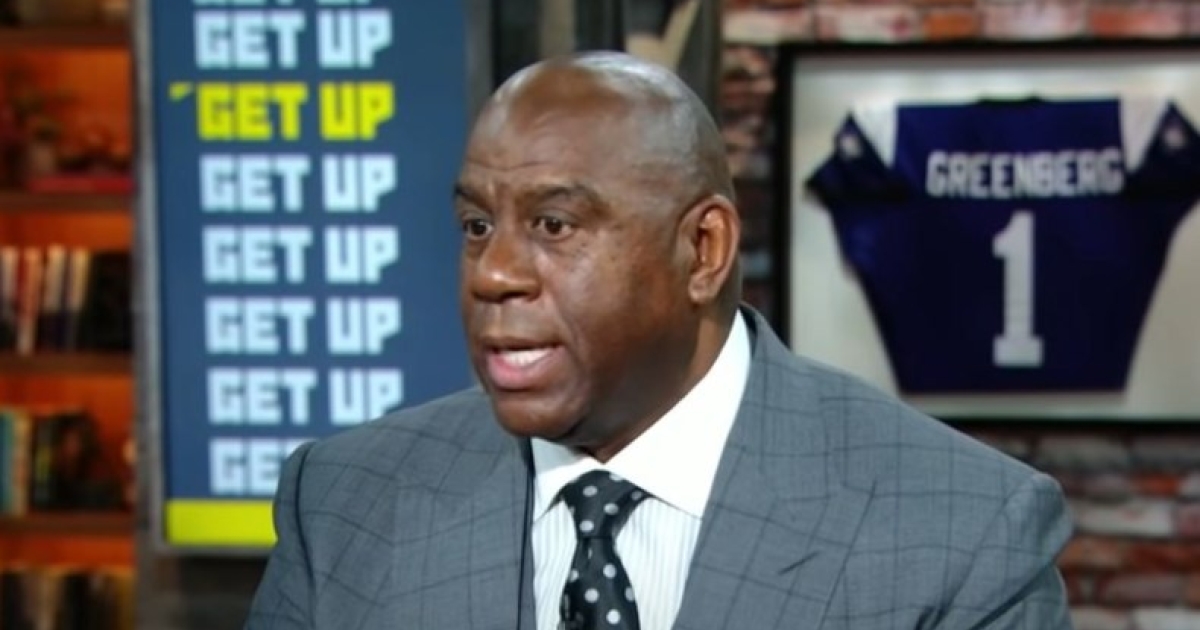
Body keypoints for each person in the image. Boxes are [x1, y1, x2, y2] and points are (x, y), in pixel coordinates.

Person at [245, 52, 1074, 630]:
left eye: (553, 224)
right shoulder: (345, 504)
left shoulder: (961, 532)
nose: (493, 273)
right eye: (475, 225)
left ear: (702, 251)